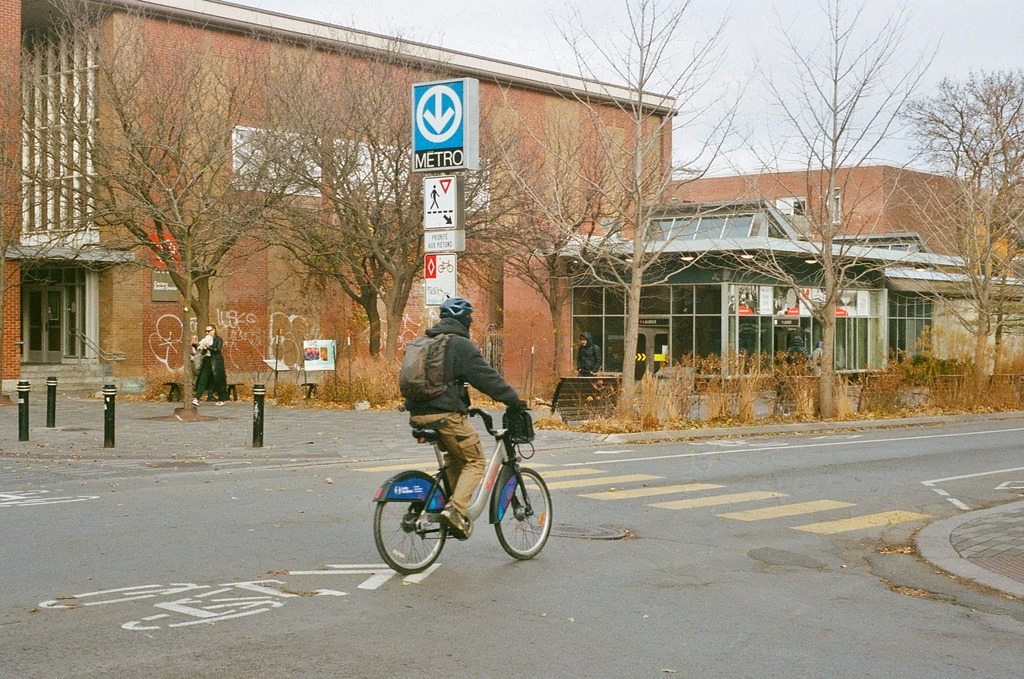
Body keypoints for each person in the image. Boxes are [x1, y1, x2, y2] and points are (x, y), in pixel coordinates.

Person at [404, 298, 527, 539]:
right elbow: (486, 378)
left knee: (456, 457)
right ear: (464, 321)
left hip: (418, 415)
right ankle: (455, 509)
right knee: (476, 461)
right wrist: (513, 400)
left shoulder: (425, 343)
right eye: (469, 319)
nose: (470, 323)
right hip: (445, 417)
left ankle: (448, 507)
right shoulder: (460, 345)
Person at [192, 324, 229, 406]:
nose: (207, 332)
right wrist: (195, 344)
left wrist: (208, 347)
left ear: (214, 330)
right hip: (207, 360)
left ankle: (222, 399)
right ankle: (196, 398)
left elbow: (217, 350)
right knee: (202, 379)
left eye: (209, 331)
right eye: (206, 331)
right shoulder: (205, 339)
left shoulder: (218, 339)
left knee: (218, 381)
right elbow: (200, 348)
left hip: (216, 362)